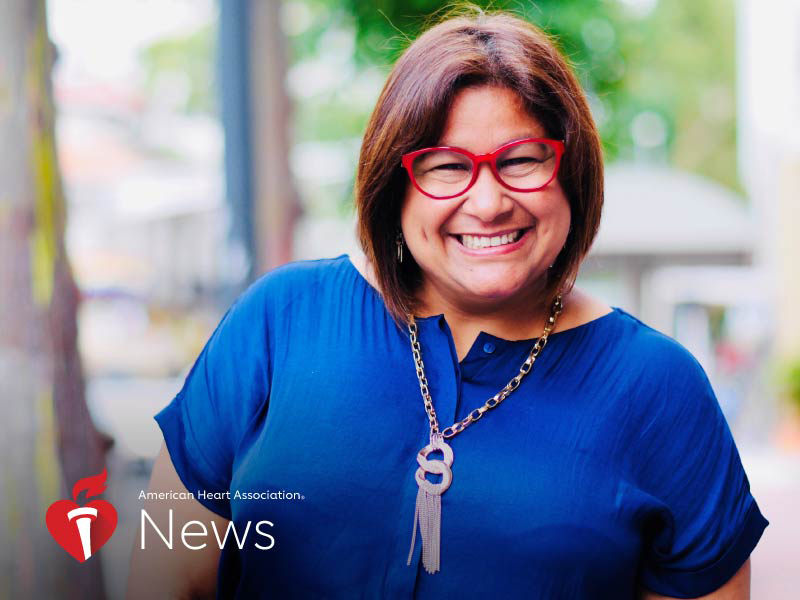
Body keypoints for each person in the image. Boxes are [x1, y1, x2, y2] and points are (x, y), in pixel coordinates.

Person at [126, 9, 768, 600]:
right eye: (445, 167)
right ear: (394, 186)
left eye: (522, 160)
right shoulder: (278, 322)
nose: (487, 203)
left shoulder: (658, 387)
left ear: (570, 175)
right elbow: (167, 578)